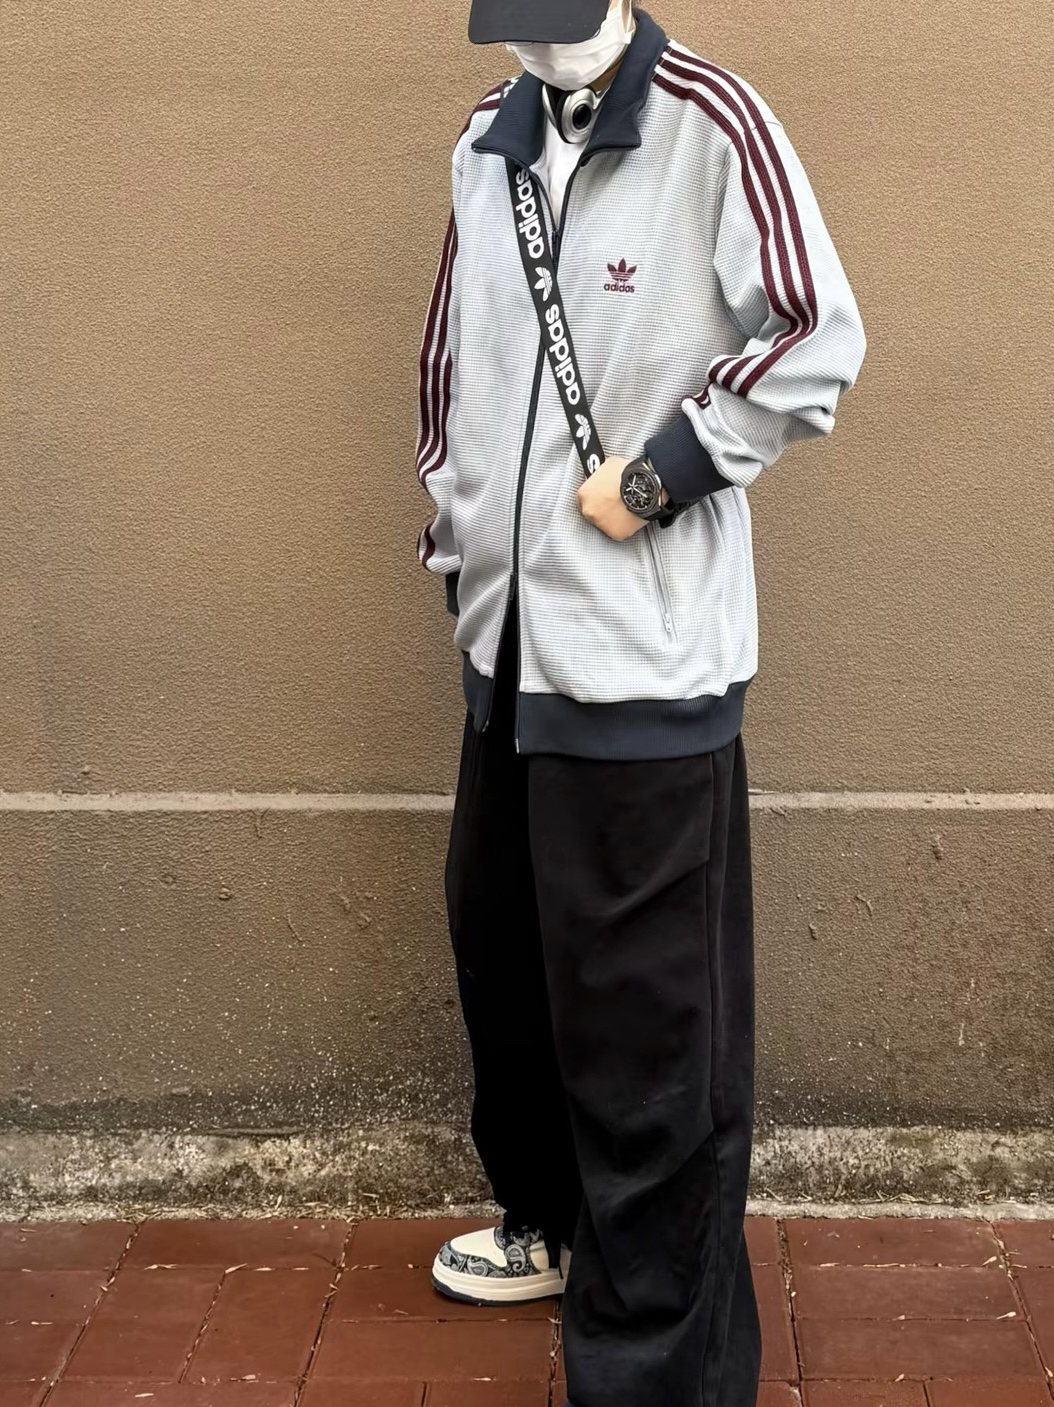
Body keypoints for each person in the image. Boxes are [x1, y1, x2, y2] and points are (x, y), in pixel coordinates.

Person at [414, 2, 865, 1403]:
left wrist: (658, 476)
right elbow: (451, 357)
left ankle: (661, 1362)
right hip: (507, 648)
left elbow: (815, 335)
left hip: (640, 661)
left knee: (649, 1031)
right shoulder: (486, 144)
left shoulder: (712, 124)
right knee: (508, 965)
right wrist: (455, 531)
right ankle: (554, 1222)